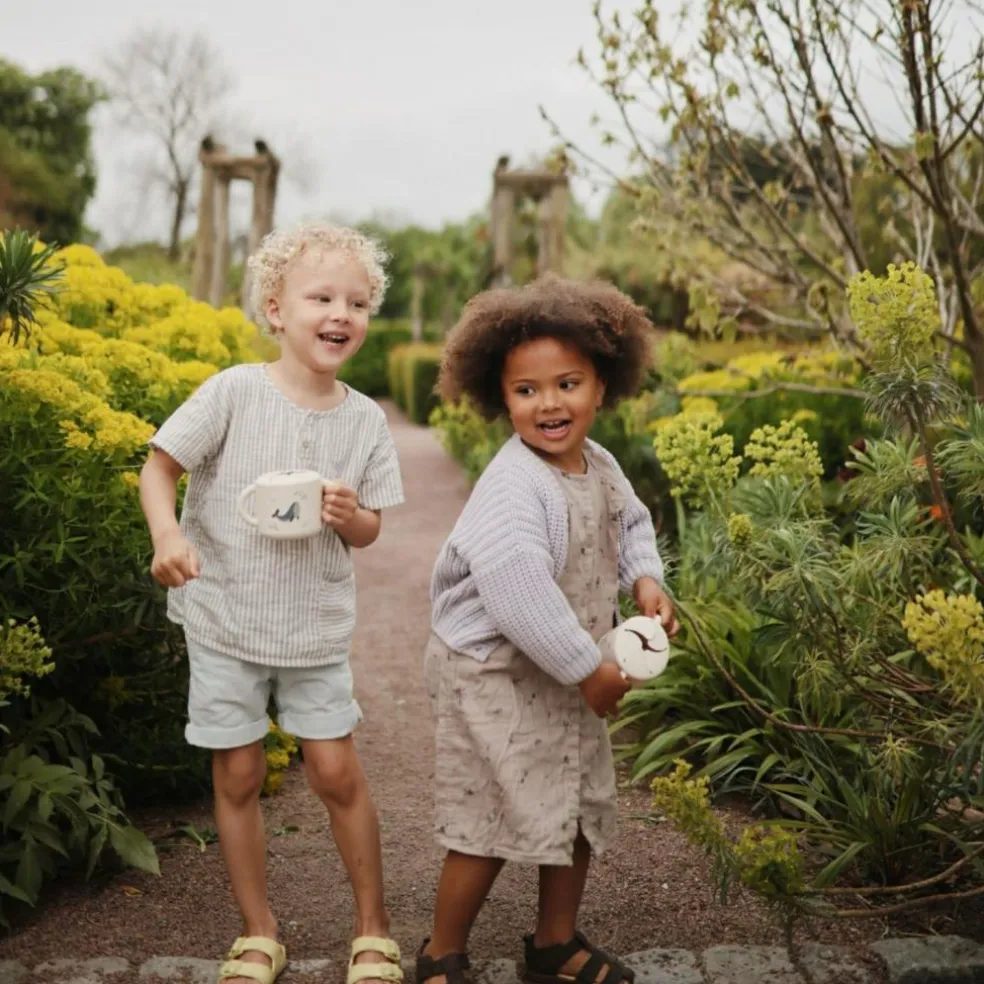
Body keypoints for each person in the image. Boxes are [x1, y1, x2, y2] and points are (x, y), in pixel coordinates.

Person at [139, 224, 406, 984]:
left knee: (335, 771)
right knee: (237, 776)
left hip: (313, 629)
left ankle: (372, 930)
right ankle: (258, 933)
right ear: (275, 309)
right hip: (225, 620)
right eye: (321, 296)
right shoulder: (233, 393)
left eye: (357, 302)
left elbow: (373, 528)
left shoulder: (363, 421)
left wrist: (351, 517)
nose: (340, 313)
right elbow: (159, 469)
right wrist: (166, 537)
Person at [419, 275, 679, 984]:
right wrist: (588, 668)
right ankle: (441, 953)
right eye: (526, 391)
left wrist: (646, 580)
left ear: (602, 386)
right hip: (493, 673)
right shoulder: (515, 487)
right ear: (499, 398)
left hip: (563, 664)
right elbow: (517, 594)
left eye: (568, 383)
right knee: (493, 811)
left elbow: (630, 524)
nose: (549, 403)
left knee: (575, 803)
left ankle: (554, 944)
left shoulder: (600, 465)